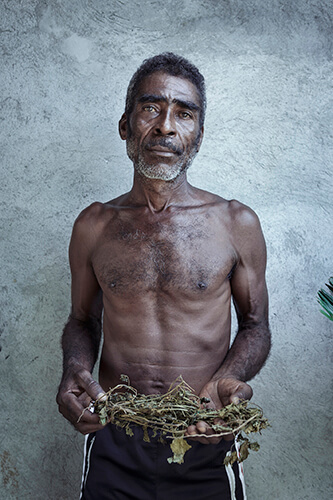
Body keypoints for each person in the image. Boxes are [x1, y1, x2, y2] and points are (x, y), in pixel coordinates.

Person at [56, 52, 271, 500]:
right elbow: (82, 320)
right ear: (125, 126)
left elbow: (255, 326)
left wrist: (224, 382)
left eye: (184, 114)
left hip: (205, 434)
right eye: (151, 108)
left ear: (198, 136)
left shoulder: (236, 223)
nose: (166, 126)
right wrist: (74, 369)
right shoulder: (93, 225)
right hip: (117, 435)